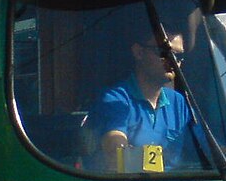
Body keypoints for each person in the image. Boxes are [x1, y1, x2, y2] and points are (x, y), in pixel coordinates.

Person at [84, 28, 197, 172]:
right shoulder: (114, 99)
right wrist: (123, 151)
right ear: (139, 52)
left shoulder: (179, 103)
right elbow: (115, 148)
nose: (173, 62)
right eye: (164, 53)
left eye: (178, 56)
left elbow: (207, 148)